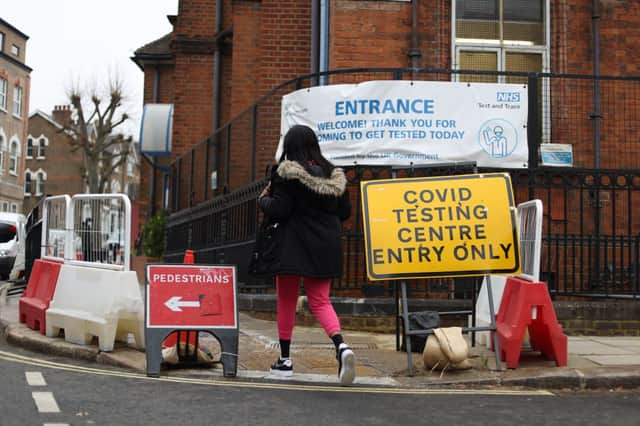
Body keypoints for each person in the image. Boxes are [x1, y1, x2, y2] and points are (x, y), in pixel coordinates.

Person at [257, 124, 355, 385]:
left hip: (293, 245)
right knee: (321, 300)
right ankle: (341, 347)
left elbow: (281, 209)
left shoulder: (286, 173)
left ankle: (285, 360)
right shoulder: (333, 174)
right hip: (326, 244)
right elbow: (345, 213)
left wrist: (262, 200)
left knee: (286, 299)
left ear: (290, 147)